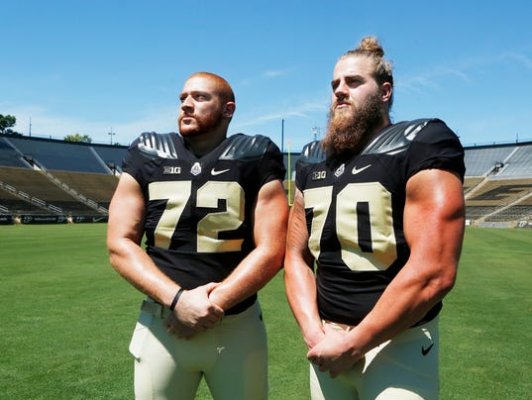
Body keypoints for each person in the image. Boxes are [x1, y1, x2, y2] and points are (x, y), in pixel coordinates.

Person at [284, 36, 465, 399]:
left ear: (385, 92)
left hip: (398, 344)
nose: (339, 91)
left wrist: (355, 343)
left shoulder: (421, 141)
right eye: (335, 84)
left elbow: (435, 270)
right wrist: (314, 333)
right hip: (327, 339)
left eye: (353, 82)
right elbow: (296, 256)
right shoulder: (311, 160)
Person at [107, 71, 288, 400]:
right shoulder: (148, 152)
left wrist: (207, 305)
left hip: (235, 323)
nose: (186, 104)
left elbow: (273, 249)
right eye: (182, 98)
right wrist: (177, 301)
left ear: (228, 109)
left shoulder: (256, 155)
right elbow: (119, 244)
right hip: (163, 323)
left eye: (200, 97)